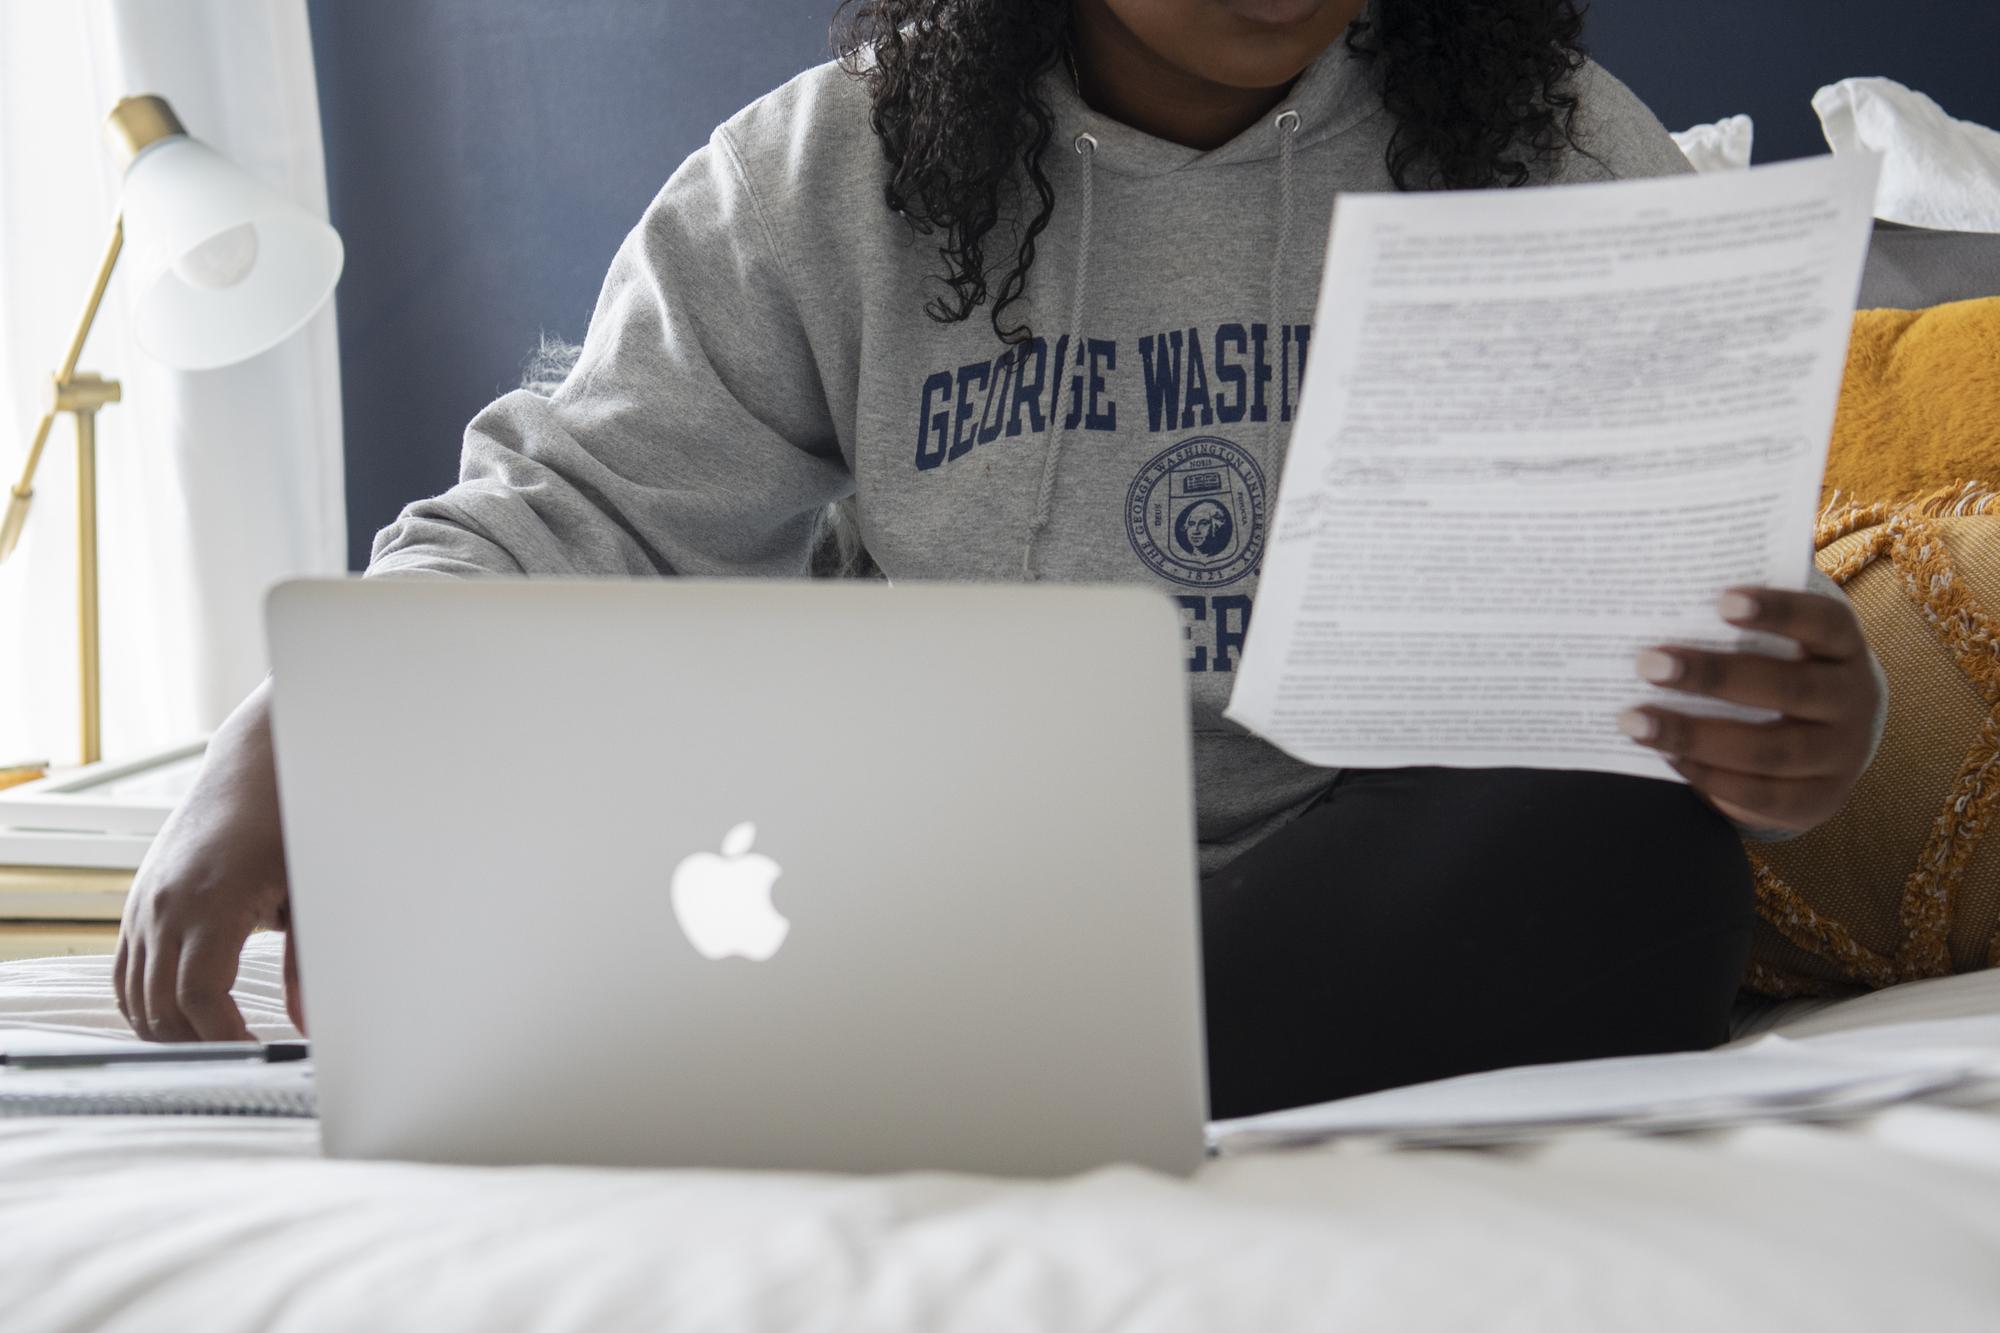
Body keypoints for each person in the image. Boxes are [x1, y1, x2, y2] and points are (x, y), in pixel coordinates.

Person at [115, 0, 1886, 1118]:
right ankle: (1056, 1036)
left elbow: (1710, 632)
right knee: (641, 777)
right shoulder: (827, 176)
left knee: (1634, 854)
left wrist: (1810, 720)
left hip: (1407, 876)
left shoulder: (1560, 151)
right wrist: (292, 724)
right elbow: (566, 520)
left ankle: (980, 1055)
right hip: (963, 870)